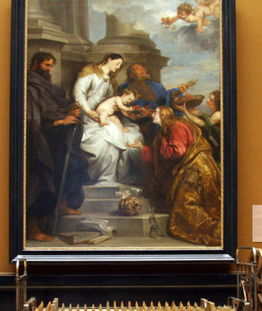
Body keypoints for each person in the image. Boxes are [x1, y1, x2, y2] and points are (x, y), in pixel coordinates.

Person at [129, 105, 222, 246]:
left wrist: (163, 142)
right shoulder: (165, 130)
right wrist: (143, 148)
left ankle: (213, 229)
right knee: (186, 202)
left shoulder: (176, 127)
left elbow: (177, 151)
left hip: (197, 166)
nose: (152, 114)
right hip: (191, 166)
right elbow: (160, 156)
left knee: (185, 203)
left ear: (164, 114)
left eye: (156, 112)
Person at [26, 51, 90, 241]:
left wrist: (70, 111)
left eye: (51, 66)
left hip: (54, 139)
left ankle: (62, 204)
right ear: (35, 63)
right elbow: (32, 120)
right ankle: (32, 227)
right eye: (46, 65)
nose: (49, 69)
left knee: (75, 164)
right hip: (38, 144)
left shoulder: (50, 88)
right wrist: (61, 121)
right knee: (40, 184)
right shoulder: (30, 88)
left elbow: (54, 110)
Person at [73, 54, 145, 186]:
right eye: (117, 63)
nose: (118, 67)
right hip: (88, 117)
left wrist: (129, 114)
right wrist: (89, 111)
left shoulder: (111, 81)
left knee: (132, 134)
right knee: (108, 135)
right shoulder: (90, 73)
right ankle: (105, 178)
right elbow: (79, 94)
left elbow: (112, 104)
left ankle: (120, 175)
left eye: (120, 65)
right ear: (109, 59)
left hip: (103, 115)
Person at [175, 90, 221, 163]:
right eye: (209, 97)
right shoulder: (216, 113)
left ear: (217, 104)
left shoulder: (218, 114)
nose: (207, 100)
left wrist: (185, 111)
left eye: (211, 99)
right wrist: (197, 114)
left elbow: (202, 123)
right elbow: (208, 120)